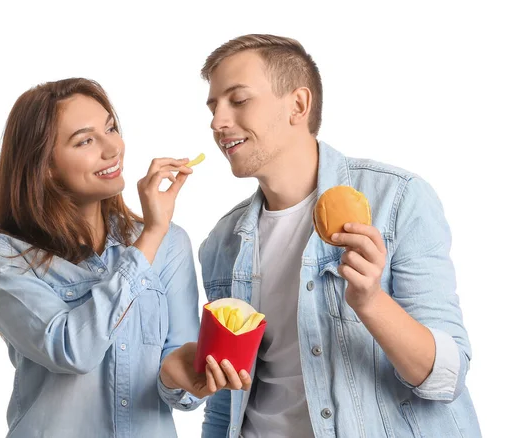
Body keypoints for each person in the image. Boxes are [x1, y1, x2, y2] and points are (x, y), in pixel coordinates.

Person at [198, 34, 481, 438]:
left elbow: (445, 379)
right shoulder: (221, 243)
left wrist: (370, 301)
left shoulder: (397, 200)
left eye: (238, 100)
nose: (217, 122)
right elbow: (226, 398)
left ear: (298, 104)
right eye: (212, 107)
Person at [0, 78, 212, 437]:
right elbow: (73, 350)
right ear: (45, 166)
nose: (112, 148)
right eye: (85, 141)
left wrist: (181, 377)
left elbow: (181, 380)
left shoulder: (171, 243)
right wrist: (149, 237)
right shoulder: (3, 255)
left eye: (111, 128)